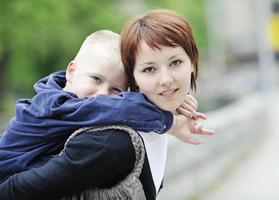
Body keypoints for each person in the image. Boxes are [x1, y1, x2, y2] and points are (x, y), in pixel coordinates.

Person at [0, 9, 214, 200]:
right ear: (71, 72)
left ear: (193, 64)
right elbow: (17, 189)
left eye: (175, 62)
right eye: (149, 69)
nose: (103, 96)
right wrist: (170, 123)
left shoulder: (134, 127)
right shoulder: (64, 112)